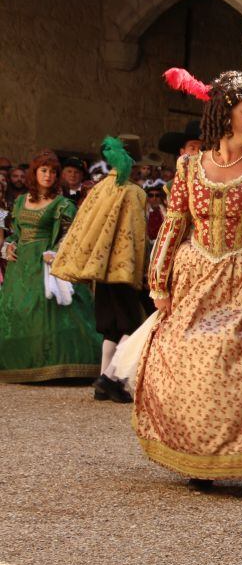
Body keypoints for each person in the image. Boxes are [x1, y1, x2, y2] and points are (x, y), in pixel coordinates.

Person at [133, 69, 242, 494]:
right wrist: (159, 282)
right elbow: (173, 225)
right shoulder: (189, 167)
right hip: (196, 275)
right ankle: (199, 455)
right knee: (191, 357)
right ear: (225, 114)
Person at [52, 137, 148, 403]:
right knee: (131, 323)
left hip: (101, 267)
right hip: (124, 270)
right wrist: (143, 269)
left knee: (110, 327)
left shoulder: (99, 188)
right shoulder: (134, 192)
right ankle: (111, 379)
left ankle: (102, 380)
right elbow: (137, 237)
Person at [0, 151, 101, 382]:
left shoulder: (62, 204)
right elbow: (16, 232)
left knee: (48, 310)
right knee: (20, 311)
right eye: (43, 170)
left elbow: (70, 235)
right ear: (34, 173)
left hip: (47, 263)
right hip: (21, 265)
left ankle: (59, 366)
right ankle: (23, 364)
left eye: (52, 172)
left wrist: (56, 252)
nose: (48, 175)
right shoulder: (19, 201)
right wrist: (9, 245)